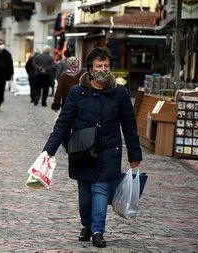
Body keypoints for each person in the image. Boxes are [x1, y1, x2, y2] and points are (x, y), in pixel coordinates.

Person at [42, 47, 142, 248]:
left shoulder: (119, 93)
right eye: (98, 66)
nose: (102, 69)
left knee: (100, 190)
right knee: (85, 194)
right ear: (90, 68)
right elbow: (63, 123)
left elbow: (129, 126)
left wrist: (134, 154)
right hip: (83, 152)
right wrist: (49, 150)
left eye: (106, 66)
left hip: (109, 150)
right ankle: (86, 225)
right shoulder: (77, 93)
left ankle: (98, 231)